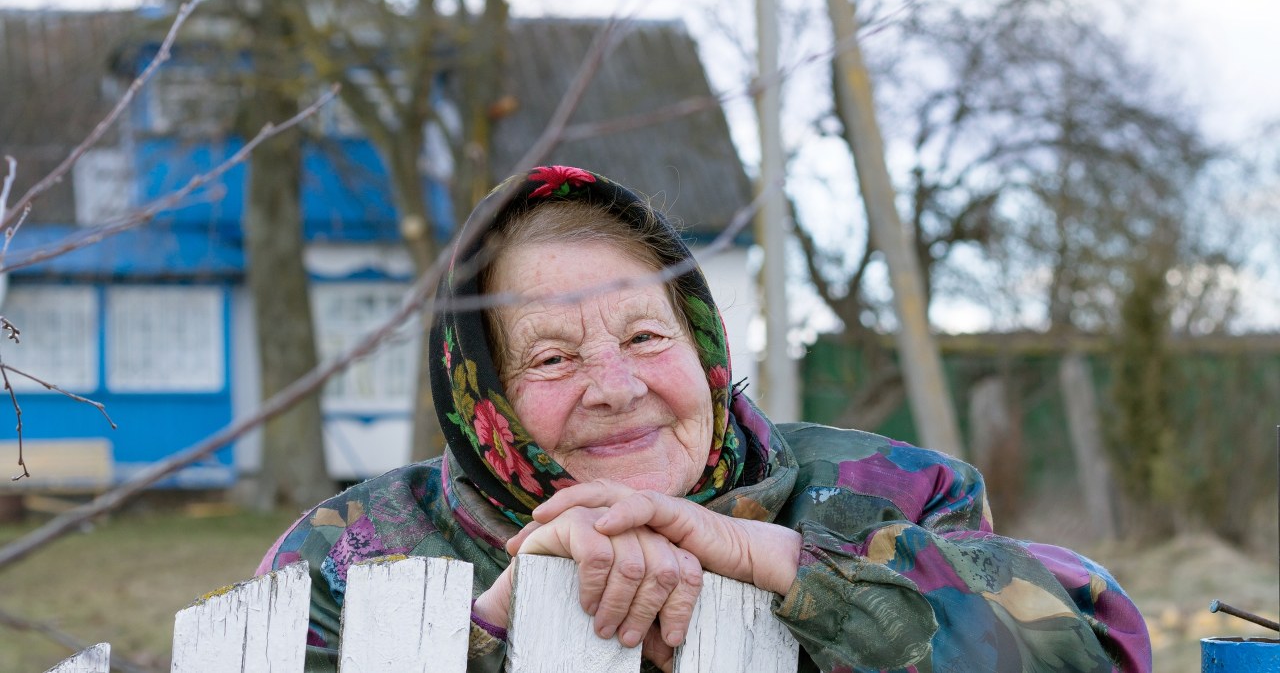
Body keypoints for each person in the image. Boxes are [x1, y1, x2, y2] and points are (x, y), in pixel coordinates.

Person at [258, 165, 1152, 672]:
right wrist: (497, 624)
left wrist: (774, 560)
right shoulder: (354, 553)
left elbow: (1100, 650)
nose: (616, 388)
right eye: (553, 357)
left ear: (704, 349)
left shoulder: (903, 493)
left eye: (646, 337)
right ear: (481, 400)